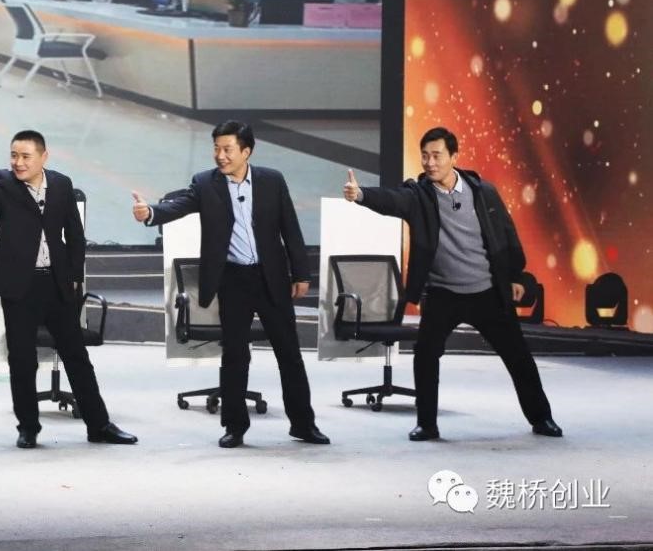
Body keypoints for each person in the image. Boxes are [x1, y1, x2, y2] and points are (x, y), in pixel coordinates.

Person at [344, 126, 562, 441]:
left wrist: (516, 276)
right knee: (426, 355)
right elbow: (392, 200)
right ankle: (427, 424)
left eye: (437, 155)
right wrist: (361, 195)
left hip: (487, 292)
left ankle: (542, 418)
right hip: (442, 294)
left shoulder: (483, 192)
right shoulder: (419, 196)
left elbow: (506, 234)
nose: (430, 163)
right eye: (425, 156)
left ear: (454, 157)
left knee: (519, 357)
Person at [133, 120, 329, 448]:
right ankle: (234, 426)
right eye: (216, 149)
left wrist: (301, 274)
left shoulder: (272, 181)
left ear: (246, 151)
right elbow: (178, 206)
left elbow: (290, 229)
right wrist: (150, 213)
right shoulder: (205, 183)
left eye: (227, 149)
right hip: (234, 279)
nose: (220, 156)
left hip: (271, 278)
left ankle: (303, 424)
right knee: (235, 355)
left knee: (289, 354)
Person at [0, 130, 138, 449]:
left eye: (25, 156)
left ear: (44, 157)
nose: (18, 162)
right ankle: (28, 428)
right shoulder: (4, 183)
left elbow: (74, 234)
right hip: (20, 285)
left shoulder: (61, 184)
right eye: (14, 155)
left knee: (77, 356)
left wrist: (75, 277)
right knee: (22, 359)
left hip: (57, 284)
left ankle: (99, 425)